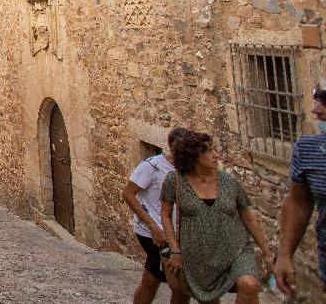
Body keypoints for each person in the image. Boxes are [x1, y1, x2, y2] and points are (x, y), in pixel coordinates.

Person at [161, 130, 270, 304]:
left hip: (236, 249)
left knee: (249, 285)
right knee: (209, 300)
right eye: (209, 151)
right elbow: (165, 215)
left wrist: (267, 252)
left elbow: (248, 217)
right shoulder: (174, 181)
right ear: (193, 156)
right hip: (198, 255)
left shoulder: (229, 181)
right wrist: (175, 249)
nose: (216, 155)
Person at [120, 127, 190, 304]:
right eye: (180, 147)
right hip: (153, 233)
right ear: (171, 146)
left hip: (178, 234)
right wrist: (153, 227)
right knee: (178, 284)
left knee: (153, 280)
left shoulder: (190, 169)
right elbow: (128, 193)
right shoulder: (152, 166)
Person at [274, 86, 326, 297]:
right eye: (316, 99)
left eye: (324, 101)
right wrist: (285, 255)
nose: (315, 110)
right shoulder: (307, 149)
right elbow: (299, 202)